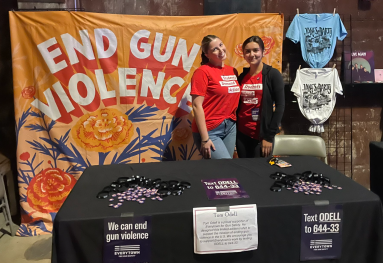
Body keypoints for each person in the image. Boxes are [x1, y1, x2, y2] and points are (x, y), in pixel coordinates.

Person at [191, 35, 240, 159]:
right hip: (210, 130)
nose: (220, 50)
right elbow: (197, 106)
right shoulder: (202, 72)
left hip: (230, 127)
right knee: (224, 166)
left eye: (221, 45)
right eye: (214, 49)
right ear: (207, 54)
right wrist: (205, 138)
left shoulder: (233, 71)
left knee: (222, 171)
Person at [236, 36, 285, 158]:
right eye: (247, 51)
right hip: (242, 134)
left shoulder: (272, 75)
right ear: (244, 54)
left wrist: (269, 137)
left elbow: (280, 106)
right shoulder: (242, 77)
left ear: (263, 52)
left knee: (261, 172)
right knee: (245, 171)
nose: (251, 54)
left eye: (255, 50)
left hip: (262, 136)